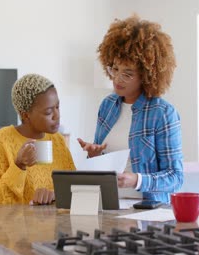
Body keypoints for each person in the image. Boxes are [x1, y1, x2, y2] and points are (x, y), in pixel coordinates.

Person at [78, 15, 183, 203]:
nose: (117, 79)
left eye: (127, 74)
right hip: (107, 204)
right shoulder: (108, 106)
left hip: (147, 210)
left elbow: (176, 177)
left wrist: (137, 180)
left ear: (147, 75)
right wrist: (95, 154)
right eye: (115, 69)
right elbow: (105, 163)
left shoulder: (163, 113)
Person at [0, 73, 75, 205]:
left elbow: (73, 190)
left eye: (57, 107)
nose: (57, 116)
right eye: (48, 112)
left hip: (55, 224)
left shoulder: (57, 140)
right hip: (17, 225)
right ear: (26, 115)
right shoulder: (2, 140)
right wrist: (19, 165)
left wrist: (54, 195)